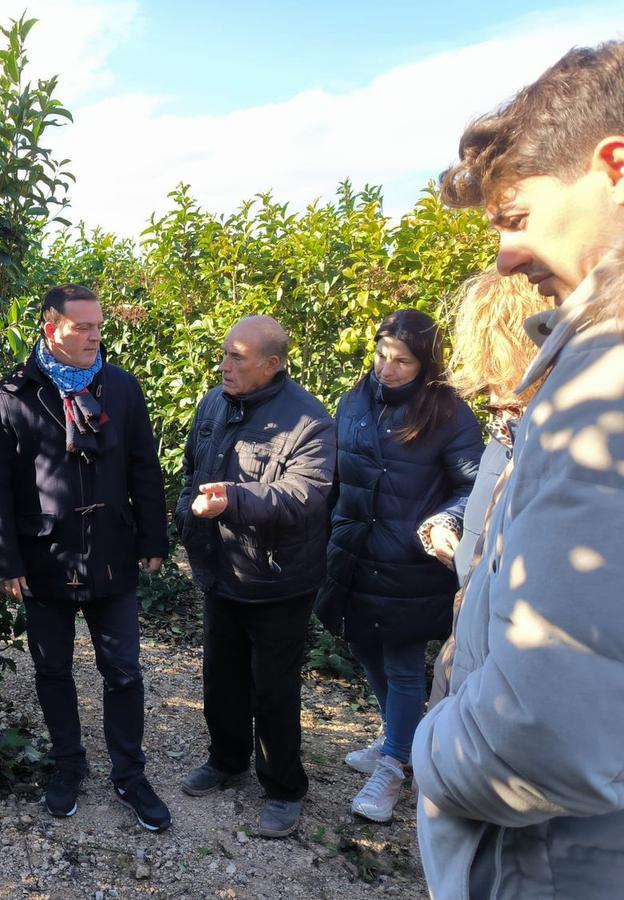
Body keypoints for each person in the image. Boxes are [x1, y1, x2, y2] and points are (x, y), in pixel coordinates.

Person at [413, 41, 624, 899]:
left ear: (613, 168)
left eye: (516, 217)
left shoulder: (603, 385)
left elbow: (544, 734)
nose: (504, 254)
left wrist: (431, 746)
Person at [0, 283, 172, 832]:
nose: (94, 336)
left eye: (98, 326)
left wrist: (153, 539)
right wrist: (5, 560)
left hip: (112, 551)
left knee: (124, 670)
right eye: (81, 327)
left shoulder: (121, 388)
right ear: (50, 328)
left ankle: (129, 775)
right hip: (44, 556)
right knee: (52, 670)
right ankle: (68, 766)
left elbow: (143, 467)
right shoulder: (15, 395)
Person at [314, 308, 483, 824]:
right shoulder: (355, 400)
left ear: (425, 364)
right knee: (365, 644)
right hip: (356, 552)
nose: (387, 369)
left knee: (404, 665)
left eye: (401, 362)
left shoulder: (448, 412)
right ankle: (397, 738)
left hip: (411, 562)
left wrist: (447, 520)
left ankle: (394, 767)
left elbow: (474, 485)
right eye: (382, 356)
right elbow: (339, 476)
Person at [174, 316, 337, 839]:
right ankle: (226, 760)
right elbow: (192, 466)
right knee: (220, 676)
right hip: (222, 570)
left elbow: (304, 495)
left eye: (237, 357)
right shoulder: (214, 404)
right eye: (224, 353)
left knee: (273, 690)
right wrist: (185, 513)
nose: (224, 365)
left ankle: (284, 788)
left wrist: (233, 499)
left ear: (271, 365)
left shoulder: (309, 421)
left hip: (278, 581)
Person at [428, 270, 548, 707]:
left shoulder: (564, 440)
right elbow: (481, 499)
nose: (489, 391)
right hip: (466, 648)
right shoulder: (505, 434)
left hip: (505, 689)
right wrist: (449, 527)